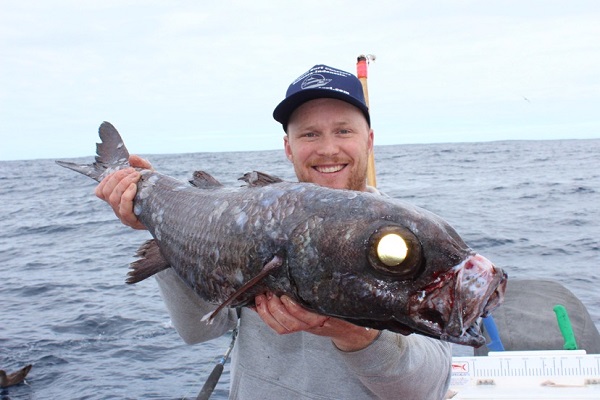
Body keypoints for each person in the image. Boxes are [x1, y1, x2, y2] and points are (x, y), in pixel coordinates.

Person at [95, 64, 452, 399]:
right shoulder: (253, 221)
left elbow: (428, 388)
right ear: (288, 147)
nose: (328, 149)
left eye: (343, 130)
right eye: (310, 134)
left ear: (369, 141)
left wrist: (354, 333)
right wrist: (164, 221)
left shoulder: (408, 241)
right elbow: (198, 330)